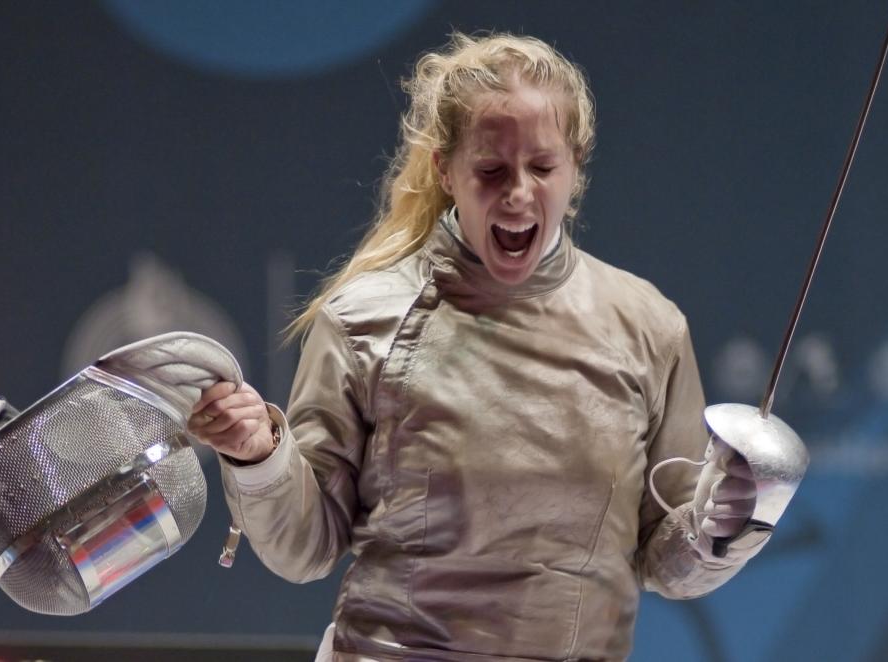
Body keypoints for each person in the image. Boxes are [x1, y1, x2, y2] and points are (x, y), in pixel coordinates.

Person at [187, 32, 769, 661]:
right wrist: (260, 458)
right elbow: (307, 548)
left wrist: (725, 523)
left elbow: (667, 560)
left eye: (542, 167)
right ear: (445, 170)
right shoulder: (364, 320)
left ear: (575, 169)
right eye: (491, 170)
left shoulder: (649, 327)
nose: (518, 193)